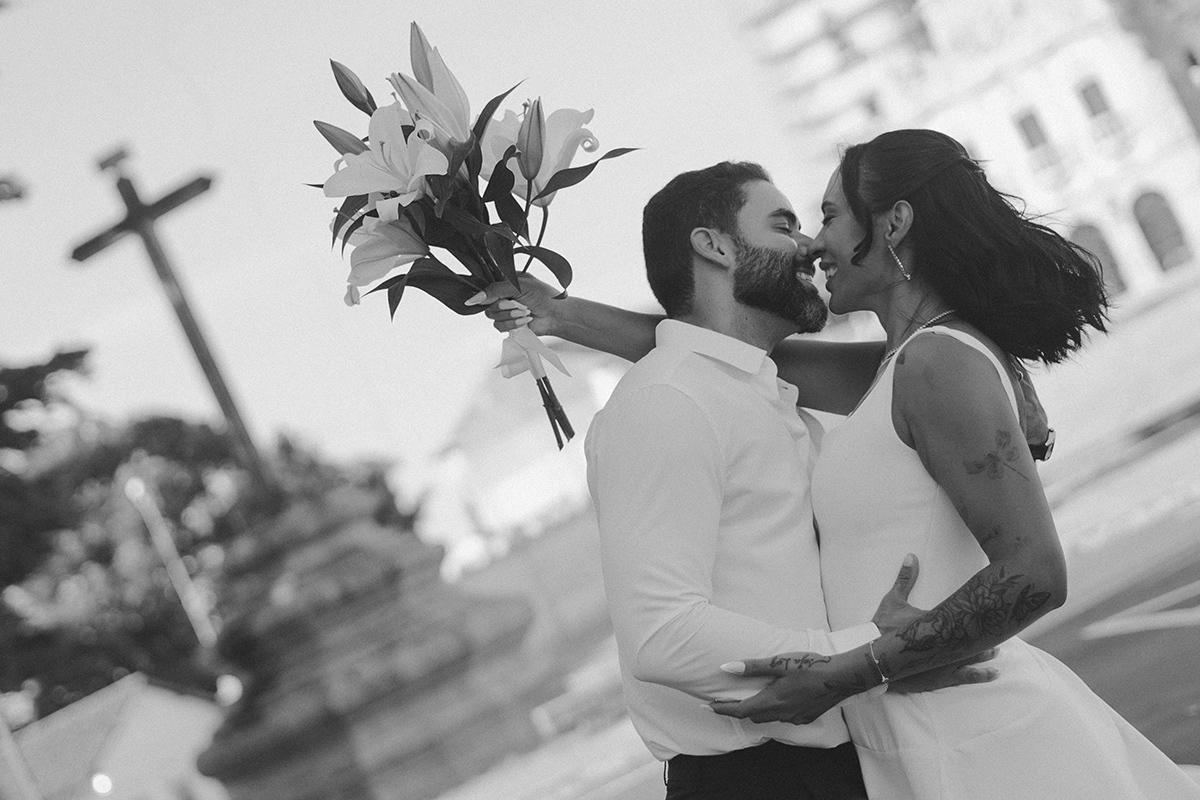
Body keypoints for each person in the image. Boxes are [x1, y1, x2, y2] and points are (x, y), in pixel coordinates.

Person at [476, 131, 1200, 799]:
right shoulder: (879, 367)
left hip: (967, 732)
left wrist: (866, 664)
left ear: (892, 227)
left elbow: (1037, 572)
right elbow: (714, 352)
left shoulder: (934, 362)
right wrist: (565, 315)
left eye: (824, 217)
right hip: (889, 743)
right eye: (791, 222)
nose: (815, 243)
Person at [474, 161, 996, 800]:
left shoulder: (757, 390)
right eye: (784, 224)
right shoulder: (667, 401)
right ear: (714, 245)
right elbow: (662, 634)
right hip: (763, 781)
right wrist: (875, 654)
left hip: (839, 766)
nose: (809, 245)